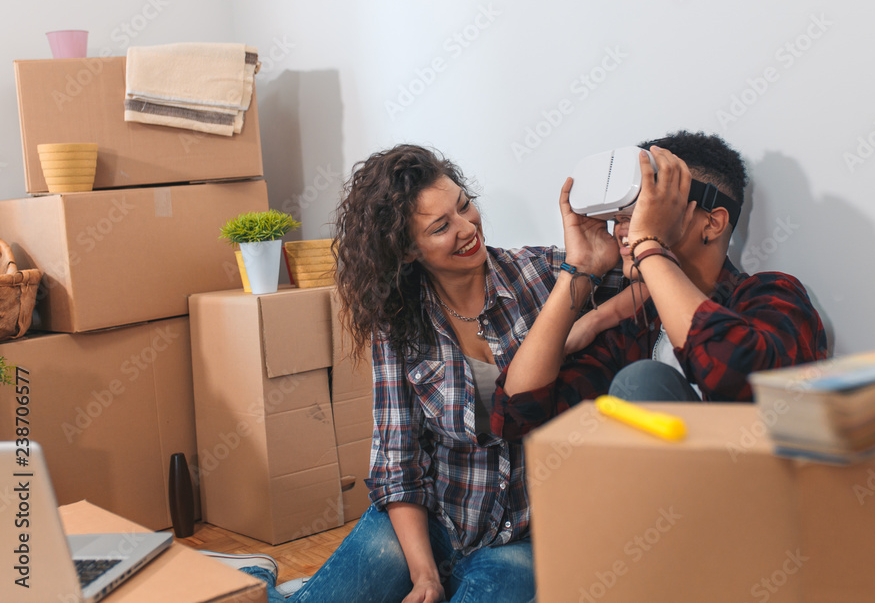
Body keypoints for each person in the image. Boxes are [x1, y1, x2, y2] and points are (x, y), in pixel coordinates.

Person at [231, 143, 614, 603]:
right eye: (440, 227)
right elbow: (397, 462)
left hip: (524, 536)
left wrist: (590, 319)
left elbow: (645, 279)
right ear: (408, 251)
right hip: (432, 520)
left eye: (464, 206)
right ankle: (262, 581)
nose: (467, 227)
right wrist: (424, 575)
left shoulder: (544, 274)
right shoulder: (399, 324)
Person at [492, 131, 828, 440]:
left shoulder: (773, 294)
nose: (626, 231)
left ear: (712, 222)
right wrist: (579, 272)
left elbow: (736, 379)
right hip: (645, 498)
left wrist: (649, 245)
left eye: (645, 213)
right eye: (621, 220)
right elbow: (517, 417)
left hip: (756, 495)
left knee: (643, 382)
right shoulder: (634, 329)